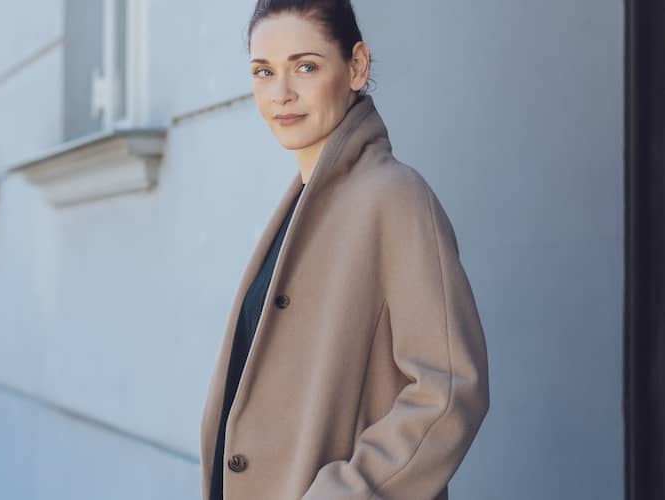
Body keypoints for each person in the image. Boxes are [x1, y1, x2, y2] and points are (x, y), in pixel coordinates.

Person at [198, 1, 490, 499]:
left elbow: (448, 389)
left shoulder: (394, 197)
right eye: (264, 72)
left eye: (305, 67)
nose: (281, 94)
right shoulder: (299, 209)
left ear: (356, 66)